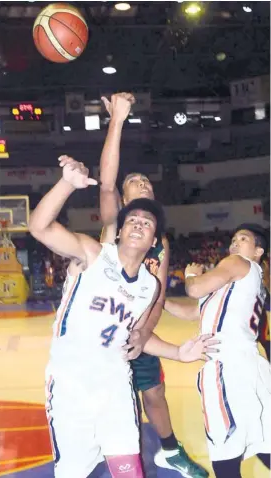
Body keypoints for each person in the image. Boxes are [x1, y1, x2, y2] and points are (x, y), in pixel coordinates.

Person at [29, 156, 218, 478]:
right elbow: (39, 227)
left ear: (155, 242)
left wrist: (177, 352)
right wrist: (66, 184)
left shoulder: (148, 286)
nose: (139, 225)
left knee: (130, 472)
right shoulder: (91, 254)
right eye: (132, 220)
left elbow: (134, 337)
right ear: (119, 232)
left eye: (147, 223)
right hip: (70, 383)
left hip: (115, 385)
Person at [99, 92, 208, 477]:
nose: (141, 181)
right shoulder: (116, 226)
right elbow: (107, 183)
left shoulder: (158, 241)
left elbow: (158, 293)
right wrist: (117, 122)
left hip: (137, 331)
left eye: (145, 179)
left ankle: (169, 450)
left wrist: (144, 332)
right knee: (113, 403)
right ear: (124, 201)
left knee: (155, 392)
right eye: (134, 181)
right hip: (100, 329)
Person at [165, 224, 271, 478]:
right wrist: (158, 300)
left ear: (258, 251)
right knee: (262, 442)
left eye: (243, 239)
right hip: (250, 365)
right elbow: (193, 312)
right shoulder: (244, 280)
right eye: (233, 239)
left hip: (227, 364)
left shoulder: (237, 263)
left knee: (225, 455)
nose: (234, 244)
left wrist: (190, 275)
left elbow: (193, 290)